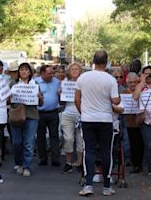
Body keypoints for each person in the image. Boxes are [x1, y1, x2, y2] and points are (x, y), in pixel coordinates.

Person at [75, 50, 120, 196]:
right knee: (106, 151)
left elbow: (77, 99)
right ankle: (107, 187)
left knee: (89, 150)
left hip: (88, 119)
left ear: (93, 61)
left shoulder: (82, 78)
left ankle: (88, 185)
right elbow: (115, 101)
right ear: (106, 62)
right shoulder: (110, 80)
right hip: (105, 120)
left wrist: (83, 112)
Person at [9, 62, 43, 177]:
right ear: (19, 72)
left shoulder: (35, 84)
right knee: (16, 142)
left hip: (32, 116)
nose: (23, 72)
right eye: (21, 70)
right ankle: (19, 163)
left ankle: (27, 166)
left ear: (30, 72)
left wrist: (40, 98)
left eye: (26, 70)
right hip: (16, 115)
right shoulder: (13, 84)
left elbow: (41, 103)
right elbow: (7, 101)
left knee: (29, 142)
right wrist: (9, 97)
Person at [60, 63, 84, 174]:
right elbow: (61, 101)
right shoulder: (65, 84)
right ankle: (68, 163)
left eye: (76, 69)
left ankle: (79, 163)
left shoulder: (84, 84)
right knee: (68, 139)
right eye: (72, 69)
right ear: (69, 71)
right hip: (67, 113)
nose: (74, 71)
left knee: (80, 140)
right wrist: (59, 94)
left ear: (80, 71)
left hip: (81, 114)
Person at [36, 65, 61, 166]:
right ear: (42, 73)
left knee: (54, 135)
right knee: (40, 136)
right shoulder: (35, 82)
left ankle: (55, 158)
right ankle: (43, 158)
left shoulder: (56, 81)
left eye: (52, 73)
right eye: (49, 73)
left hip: (53, 112)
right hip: (40, 113)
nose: (52, 75)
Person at [133, 66, 151, 178]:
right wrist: (142, 81)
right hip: (145, 121)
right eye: (146, 74)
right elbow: (135, 96)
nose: (149, 76)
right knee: (149, 145)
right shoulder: (141, 87)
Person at [123, 72, 143, 173]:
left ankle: (138, 164)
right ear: (127, 82)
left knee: (139, 144)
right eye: (130, 82)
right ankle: (130, 161)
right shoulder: (123, 93)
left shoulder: (142, 92)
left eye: (135, 82)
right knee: (129, 143)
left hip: (139, 122)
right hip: (127, 122)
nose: (133, 84)